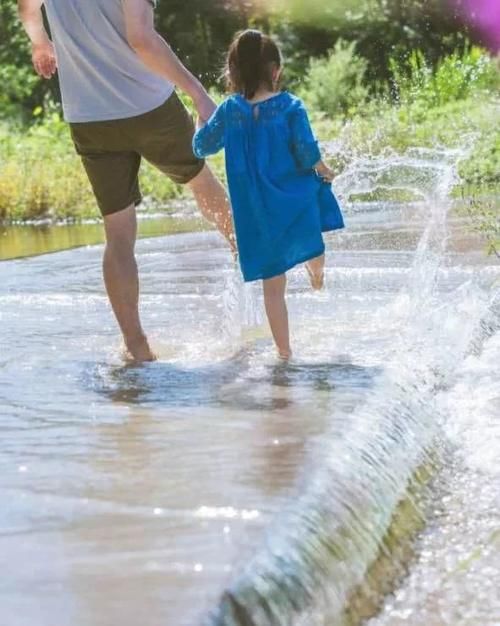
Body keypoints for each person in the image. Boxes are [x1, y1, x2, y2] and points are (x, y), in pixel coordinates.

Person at [18, 0, 235, 363]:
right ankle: (253, 260)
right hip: (148, 105)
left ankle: (136, 345)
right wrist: (198, 94)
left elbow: (27, 8)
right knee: (200, 181)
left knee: (117, 235)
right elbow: (142, 40)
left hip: (89, 118)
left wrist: (41, 43)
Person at [193, 29, 344, 361]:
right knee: (313, 238)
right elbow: (306, 151)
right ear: (275, 70)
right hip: (294, 196)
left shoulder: (230, 110)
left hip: (256, 212)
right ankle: (316, 273)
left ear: (232, 72)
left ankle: (284, 353)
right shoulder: (290, 106)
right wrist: (324, 168)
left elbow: (202, 146)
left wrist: (197, 122)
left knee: (273, 290)